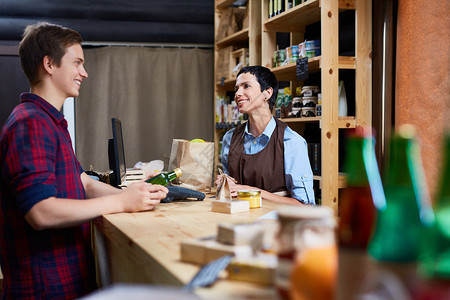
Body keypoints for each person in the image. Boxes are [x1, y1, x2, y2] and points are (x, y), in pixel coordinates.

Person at [0, 22, 168, 299]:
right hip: (45, 287)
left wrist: (135, 196)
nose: (84, 73)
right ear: (49, 64)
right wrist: (121, 202)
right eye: (77, 63)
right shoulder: (30, 123)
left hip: (68, 277)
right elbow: (40, 211)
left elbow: (84, 184)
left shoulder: (50, 121)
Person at [218, 66, 315, 206]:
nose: (238, 93)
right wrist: (225, 184)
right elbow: (231, 189)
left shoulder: (291, 142)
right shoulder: (229, 138)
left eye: (246, 86)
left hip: (275, 225)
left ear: (267, 93)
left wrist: (252, 191)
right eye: (236, 88)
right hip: (238, 222)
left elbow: (304, 205)